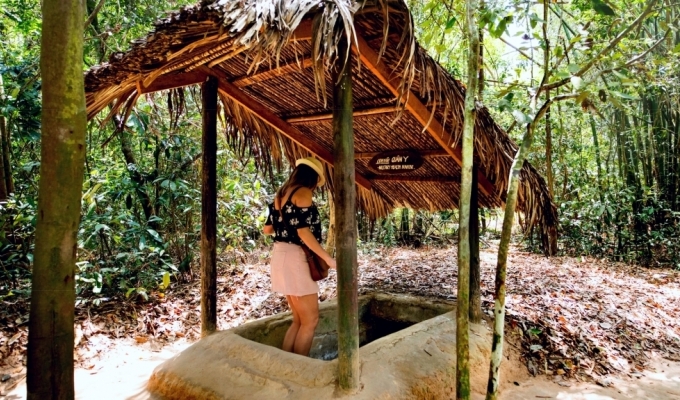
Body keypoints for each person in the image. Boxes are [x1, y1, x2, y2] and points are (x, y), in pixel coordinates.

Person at [263, 157, 336, 356]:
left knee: (298, 320)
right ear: (312, 178)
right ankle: (299, 367)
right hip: (295, 257)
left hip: (280, 255)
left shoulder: (281, 194)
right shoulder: (303, 193)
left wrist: (285, 227)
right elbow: (304, 233)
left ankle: (286, 364)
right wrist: (328, 259)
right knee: (310, 321)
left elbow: (267, 229)